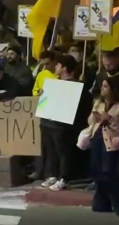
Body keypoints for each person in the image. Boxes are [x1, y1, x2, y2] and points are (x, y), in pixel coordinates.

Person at [87, 77, 119, 217]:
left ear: (113, 89)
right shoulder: (98, 103)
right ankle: (101, 202)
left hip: (111, 142)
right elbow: (91, 122)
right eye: (102, 86)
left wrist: (110, 119)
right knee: (97, 171)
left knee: (109, 173)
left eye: (106, 86)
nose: (103, 89)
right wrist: (94, 117)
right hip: (97, 138)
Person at [40, 54, 78, 191]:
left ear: (65, 67)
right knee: (51, 151)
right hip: (49, 122)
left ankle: (64, 178)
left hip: (62, 125)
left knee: (63, 152)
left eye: (58, 65)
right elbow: (45, 103)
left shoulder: (74, 84)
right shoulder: (55, 83)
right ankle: (53, 175)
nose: (55, 67)